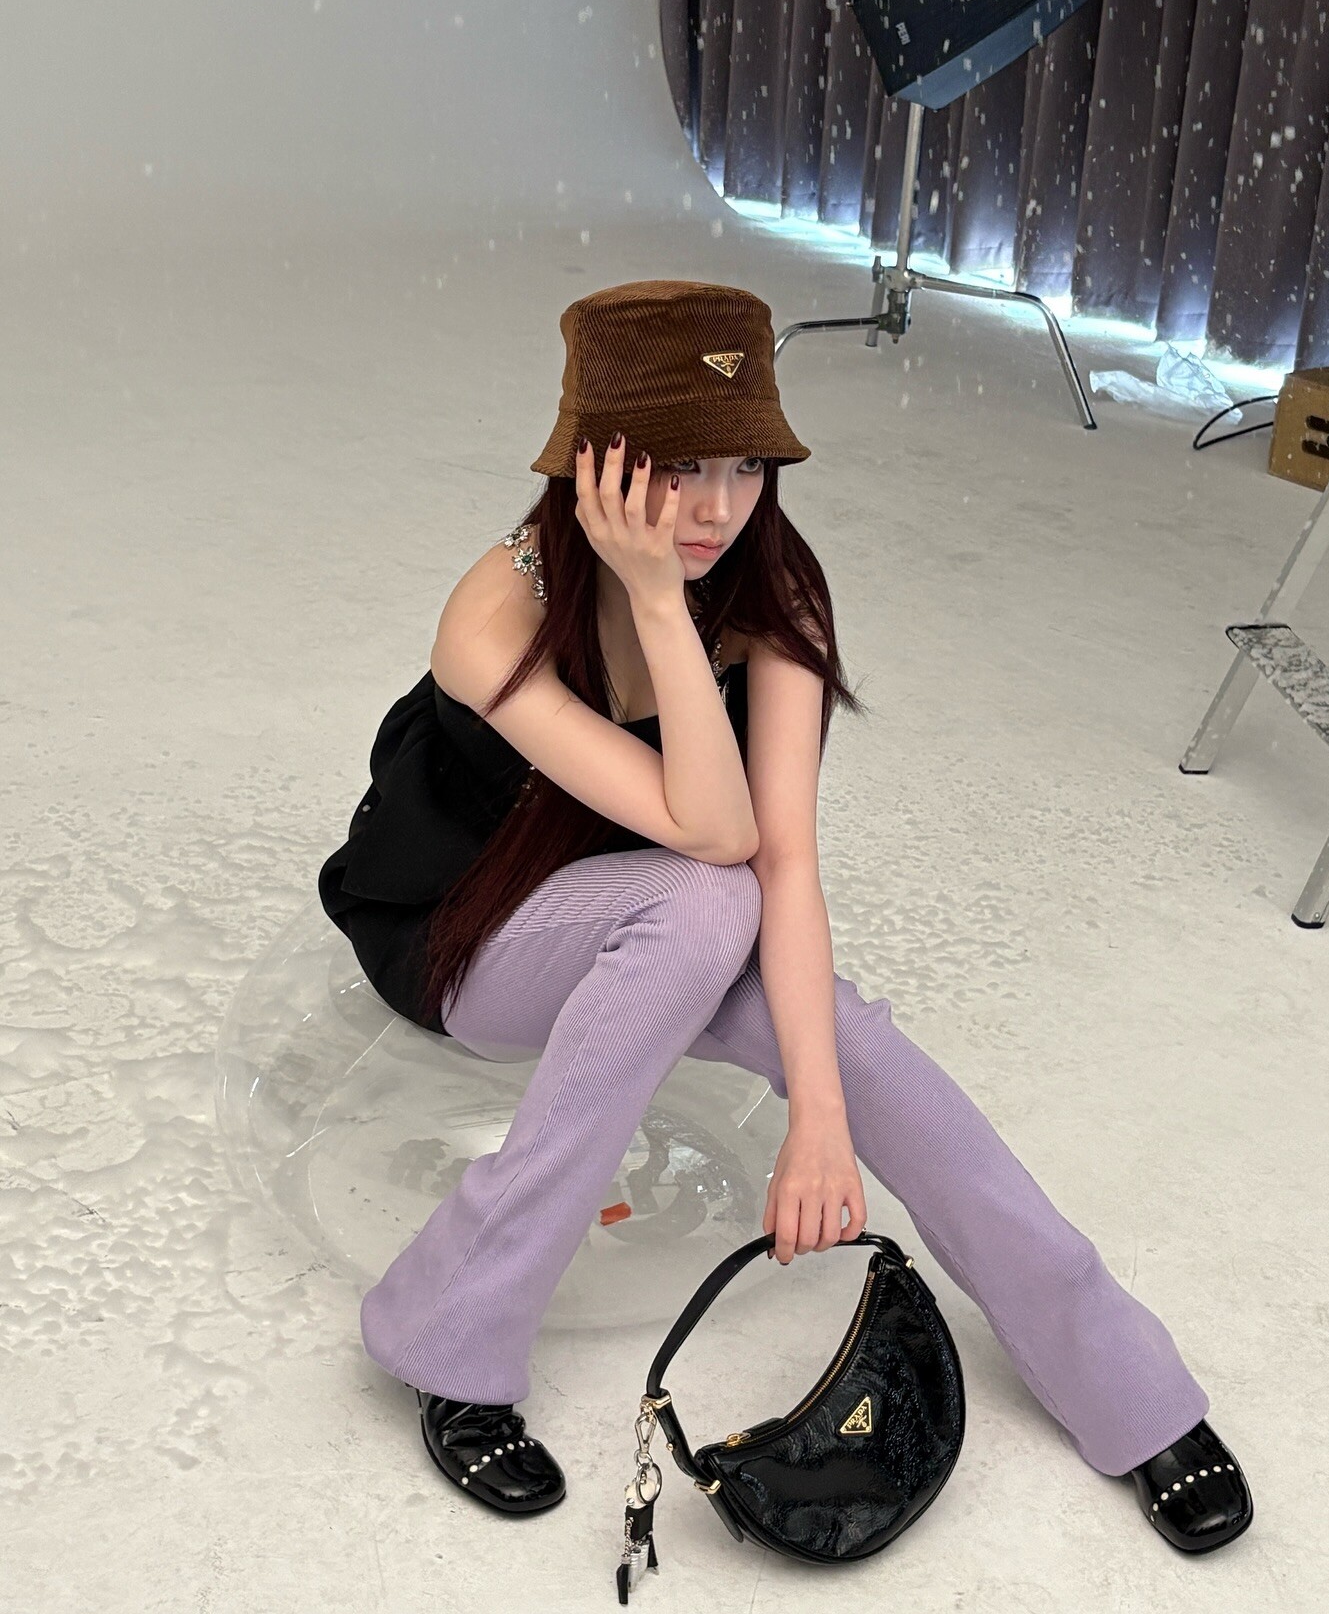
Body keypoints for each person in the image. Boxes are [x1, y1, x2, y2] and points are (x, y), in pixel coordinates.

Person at [318, 279, 1253, 1554]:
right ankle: (451, 1339)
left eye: (748, 467)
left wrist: (819, 1115)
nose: (718, 509)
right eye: (679, 468)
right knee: (707, 896)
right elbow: (717, 838)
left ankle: (1125, 1384)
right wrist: (658, 606)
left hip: (667, 923)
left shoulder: (776, 596)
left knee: (841, 1038)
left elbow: (787, 868)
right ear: (592, 465)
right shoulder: (496, 618)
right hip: (467, 933)